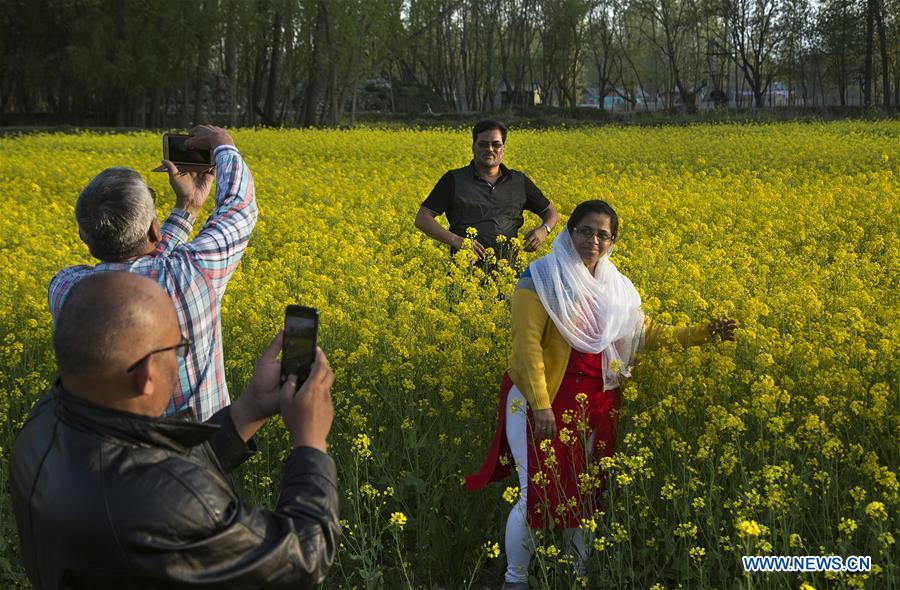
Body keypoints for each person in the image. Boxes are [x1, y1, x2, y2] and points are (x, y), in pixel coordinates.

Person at [466, 200, 736, 588]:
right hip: (539, 397)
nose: (593, 239)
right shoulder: (540, 277)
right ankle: (515, 579)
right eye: (585, 230)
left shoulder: (616, 288)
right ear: (570, 231)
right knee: (535, 493)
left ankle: (577, 577)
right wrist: (541, 406)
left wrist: (701, 334)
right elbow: (526, 346)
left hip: (599, 400)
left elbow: (644, 335)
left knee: (586, 495)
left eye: (603, 234)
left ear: (612, 242)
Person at [10, 272, 339, 589]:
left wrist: (249, 409)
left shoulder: (44, 423)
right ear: (147, 374)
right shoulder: (162, 504)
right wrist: (310, 442)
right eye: (178, 349)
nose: (179, 358)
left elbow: (139, 469)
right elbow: (304, 557)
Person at [48, 124, 257, 421]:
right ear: (154, 229)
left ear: (86, 240)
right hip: (199, 454)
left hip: (107, 454)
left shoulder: (65, 290)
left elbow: (145, 265)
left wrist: (188, 207)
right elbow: (240, 208)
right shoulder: (193, 275)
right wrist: (225, 145)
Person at [415, 120, 559, 266]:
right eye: (483, 144)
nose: (490, 149)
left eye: (496, 144)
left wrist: (543, 230)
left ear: (503, 149)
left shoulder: (518, 181)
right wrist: (456, 240)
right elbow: (422, 218)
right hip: (466, 275)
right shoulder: (454, 180)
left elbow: (550, 212)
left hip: (508, 274)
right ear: (473, 147)